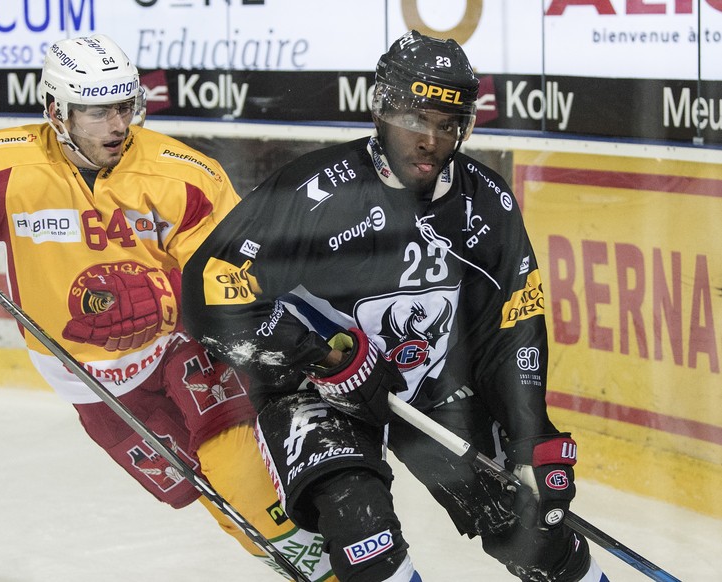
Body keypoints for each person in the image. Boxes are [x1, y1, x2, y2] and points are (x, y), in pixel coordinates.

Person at [0, 34, 334, 581]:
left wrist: (165, 298)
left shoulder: (184, 174)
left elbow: (238, 274)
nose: (115, 125)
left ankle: (352, 566)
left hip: (181, 347)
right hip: (89, 381)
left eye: (124, 105)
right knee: (212, 499)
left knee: (243, 482)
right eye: (95, 110)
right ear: (55, 110)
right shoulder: (5, 168)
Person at [182, 30, 610, 582]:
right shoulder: (314, 192)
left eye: (447, 124)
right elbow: (211, 289)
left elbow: (513, 328)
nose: (430, 140)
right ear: (381, 111)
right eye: (416, 120)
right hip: (322, 390)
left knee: (533, 533)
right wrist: (321, 356)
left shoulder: (486, 203)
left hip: (431, 385)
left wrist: (532, 435)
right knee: (363, 534)